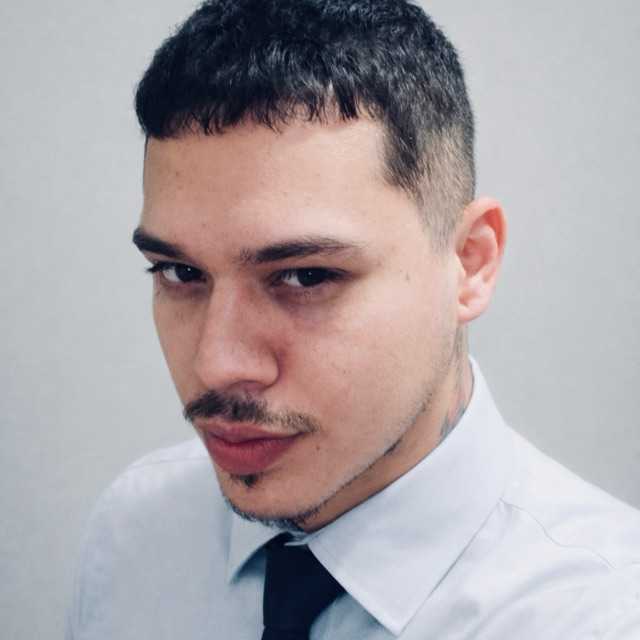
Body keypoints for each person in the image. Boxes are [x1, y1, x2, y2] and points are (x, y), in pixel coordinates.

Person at [67, 1, 640, 638]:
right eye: (180, 272)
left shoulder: (603, 617)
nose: (216, 364)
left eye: (306, 277)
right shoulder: (135, 535)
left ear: (469, 263)